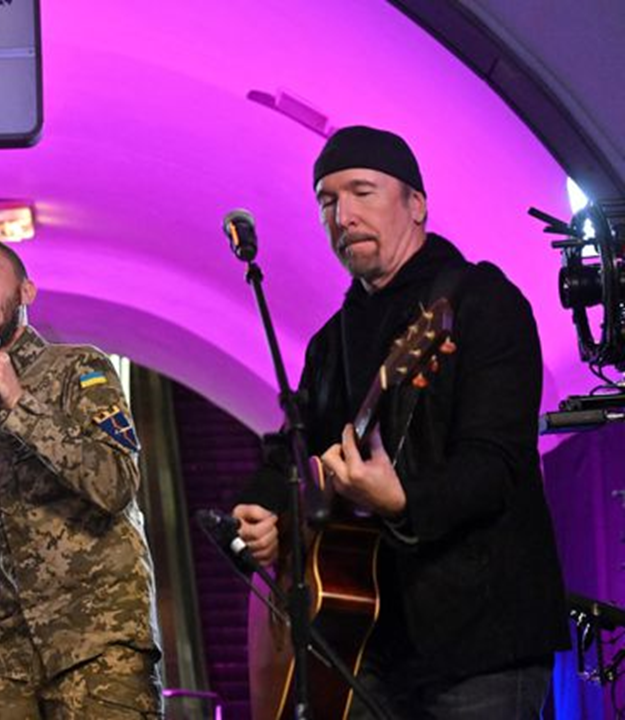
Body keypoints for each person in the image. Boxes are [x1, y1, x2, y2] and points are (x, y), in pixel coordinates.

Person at [234, 126, 568, 718]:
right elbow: (292, 446)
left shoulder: (482, 303)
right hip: (366, 643)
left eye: (363, 192)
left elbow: (497, 465)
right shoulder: (329, 342)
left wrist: (402, 498)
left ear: (416, 204)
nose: (343, 215)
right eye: (327, 200)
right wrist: (264, 514)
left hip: (482, 640)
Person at [0, 237, 163, 719]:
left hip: (100, 642)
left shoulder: (80, 370)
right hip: (11, 654)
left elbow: (115, 484)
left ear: (26, 291)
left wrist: (18, 403)